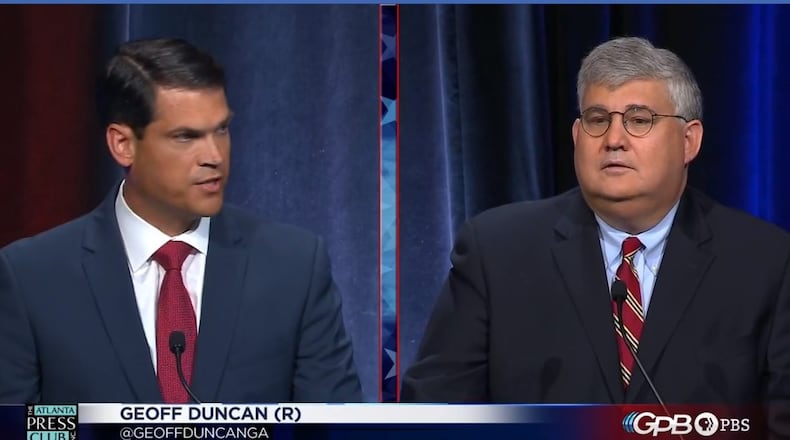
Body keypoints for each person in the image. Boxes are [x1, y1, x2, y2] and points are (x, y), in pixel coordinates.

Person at [401, 36, 790, 431]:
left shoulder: (764, 263)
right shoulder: (496, 251)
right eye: (597, 119)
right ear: (576, 136)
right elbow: (435, 411)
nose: (614, 140)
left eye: (639, 120)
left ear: (689, 141)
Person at [0, 37, 361, 403]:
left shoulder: (293, 267)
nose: (214, 156)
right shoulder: (32, 277)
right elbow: (19, 427)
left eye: (221, 129)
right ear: (123, 144)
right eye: (186, 136)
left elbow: (332, 426)